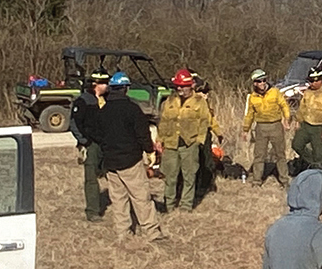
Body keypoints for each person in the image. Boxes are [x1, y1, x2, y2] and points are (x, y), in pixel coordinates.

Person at [94, 72, 165, 243]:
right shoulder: (132, 109)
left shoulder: (103, 111)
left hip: (110, 162)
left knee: (118, 199)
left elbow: (97, 135)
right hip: (130, 161)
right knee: (141, 197)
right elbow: (143, 134)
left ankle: (122, 233)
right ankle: (152, 232)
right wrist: (149, 150)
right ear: (126, 88)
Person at [158, 69, 216, 212]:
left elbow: (204, 122)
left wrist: (199, 141)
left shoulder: (199, 101)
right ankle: (169, 205)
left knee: (189, 176)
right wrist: (160, 140)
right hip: (171, 143)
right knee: (170, 176)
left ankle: (186, 205)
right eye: (177, 86)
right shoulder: (169, 101)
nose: (179, 89)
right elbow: (163, 121)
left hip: (190, 144)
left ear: (190, 85)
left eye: (182, 86)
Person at [243, 69, 293, 185]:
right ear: (254, 83)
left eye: (264, 80)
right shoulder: (252, 97)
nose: (262, 83)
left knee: (280, 154)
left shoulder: (275, 92)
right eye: (259, 81)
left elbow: (284, 105)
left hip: (276, 126)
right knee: (259, 155)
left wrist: (286, 119)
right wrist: (245, 129)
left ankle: (284, 180)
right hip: (261, 127)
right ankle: (257, 180)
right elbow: (249, 114)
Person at [69, 77, 106, 222]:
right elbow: (74, 123)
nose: (107, 86)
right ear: (95, 85)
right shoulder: (83, 101)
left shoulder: (107, 100)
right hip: (91, 145)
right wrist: (84, 141)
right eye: (104, 83)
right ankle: (93, 211)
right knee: (91, 179)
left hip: (106, 144)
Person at [293, 65, 322, 174]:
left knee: (320, 154)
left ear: (321, 80)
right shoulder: (308, 91)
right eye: (310, 81)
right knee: (296, 145)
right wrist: (298, 120)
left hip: (320, 126)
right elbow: (302, 106)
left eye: (314, 81)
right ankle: (311, 162)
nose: (312, 83)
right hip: (306, 124)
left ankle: (320, 172)